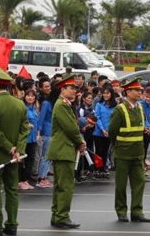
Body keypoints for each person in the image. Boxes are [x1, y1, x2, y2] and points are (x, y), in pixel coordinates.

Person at [0, 66, 30, 236]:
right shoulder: (19, 104)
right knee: (12, 190)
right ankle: (12, 224)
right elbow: (25, 129)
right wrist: (18, 149)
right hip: (15, 157)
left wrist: (9, 147)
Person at [108, 78, 150, 223]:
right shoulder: (119, 110)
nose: (140, 92)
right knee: (121, 185)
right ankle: (121, 211)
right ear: (128, 92)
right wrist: (118, 146)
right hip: (123, 153)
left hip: (138, 153)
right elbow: (112, 131)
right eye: (137, 90)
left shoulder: (140, 108)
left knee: (139, 183)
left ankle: (137, 211)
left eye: (140, 90)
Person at [47, 74, 86, 229]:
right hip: (64, 149)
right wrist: (80, 141)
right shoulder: (62, 105)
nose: (74, 91)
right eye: (71, 88)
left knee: (60, 185)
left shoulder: (64, 104)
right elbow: (70, 128)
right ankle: (62, 216)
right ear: (63, 89)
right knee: (65, 186)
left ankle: (57, 215)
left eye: (75, 89)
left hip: (62, 149)